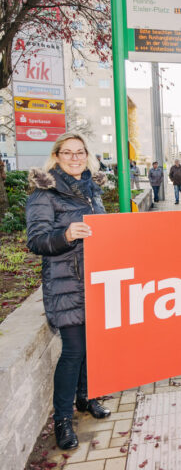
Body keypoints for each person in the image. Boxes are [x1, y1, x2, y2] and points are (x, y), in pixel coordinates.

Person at [26, 133, 111, 450]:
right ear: (56, 155)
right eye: (68, 152)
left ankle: (85, 397)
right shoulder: (44, 193)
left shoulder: (92, 189)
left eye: (80, 152)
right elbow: (36, 241)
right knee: (74, 351)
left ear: (87, 155)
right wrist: (67, 234)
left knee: (91, 346)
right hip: (66, 284)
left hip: (97, 280)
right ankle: (62, 419)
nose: (75, 157)